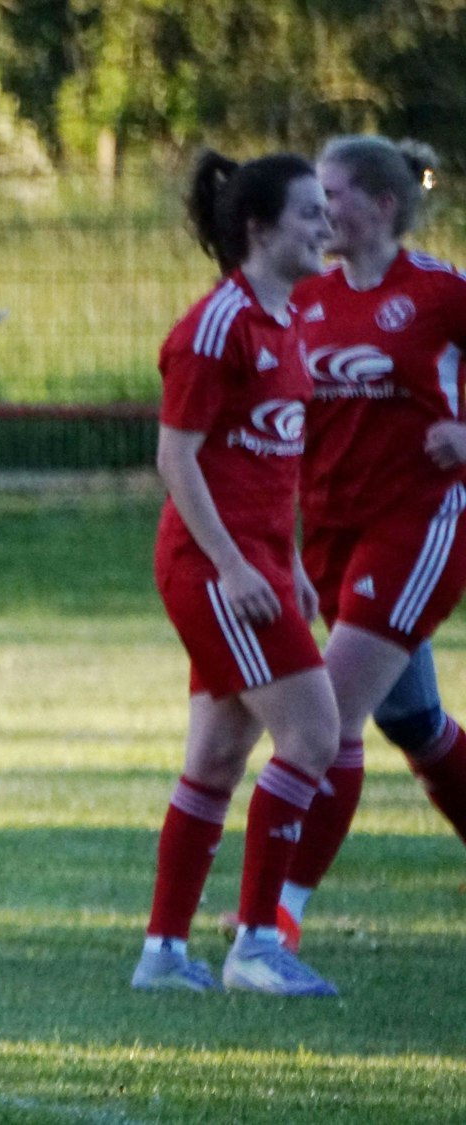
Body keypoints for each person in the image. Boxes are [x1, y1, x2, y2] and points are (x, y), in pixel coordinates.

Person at [130, 150, 340, 997]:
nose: (324, 226)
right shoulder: (219, 323)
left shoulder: (287, 322)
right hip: (213, 568)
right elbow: (175, 457)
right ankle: (255, 942)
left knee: (217, 757)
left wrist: (289, 564)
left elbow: (268, 460)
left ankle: (162, 953)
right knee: (315, 733)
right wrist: (232, 565)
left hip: (255, 564)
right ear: (259, 228)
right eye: (309, 213)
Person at [271, 137, 466, 947]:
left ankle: (276, 917)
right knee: (413, 719)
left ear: (382, 205)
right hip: (330, 533)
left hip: (417, 526)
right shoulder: (306, 299)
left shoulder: (440, 292)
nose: (320, 212)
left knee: (328, 717)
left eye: (333, 195)